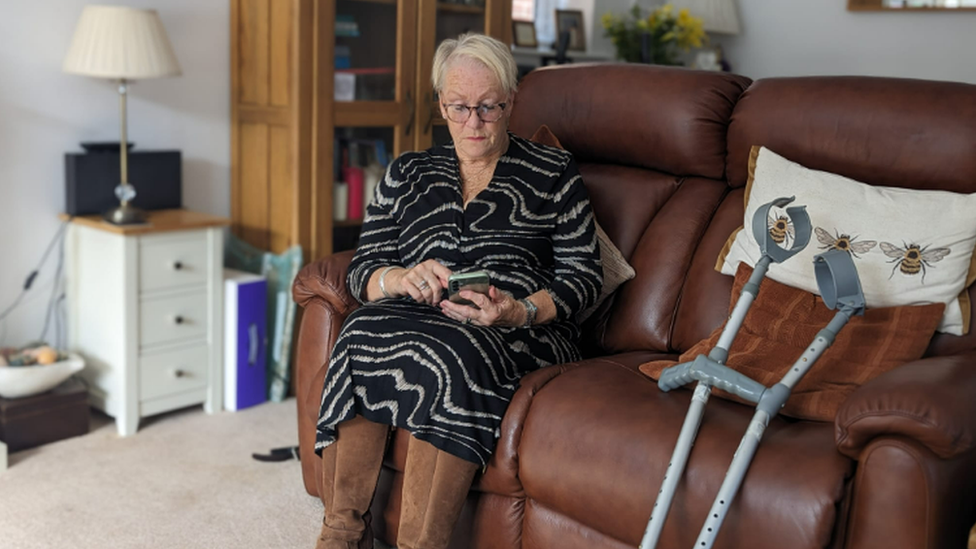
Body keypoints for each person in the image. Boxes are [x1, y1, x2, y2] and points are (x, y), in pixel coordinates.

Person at [314, 33, 602, 549]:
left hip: (521, 329)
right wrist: (398, 279)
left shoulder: (553, 173)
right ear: (441, 105)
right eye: (460, 107)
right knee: (359, 329)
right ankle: (341, 533)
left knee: (455, 348)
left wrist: (519, 310)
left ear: (511, 101)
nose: (474, 122)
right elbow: (363, 268)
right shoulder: (407, 172)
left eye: (489, 107)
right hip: (421, 315)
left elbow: (584, 276)